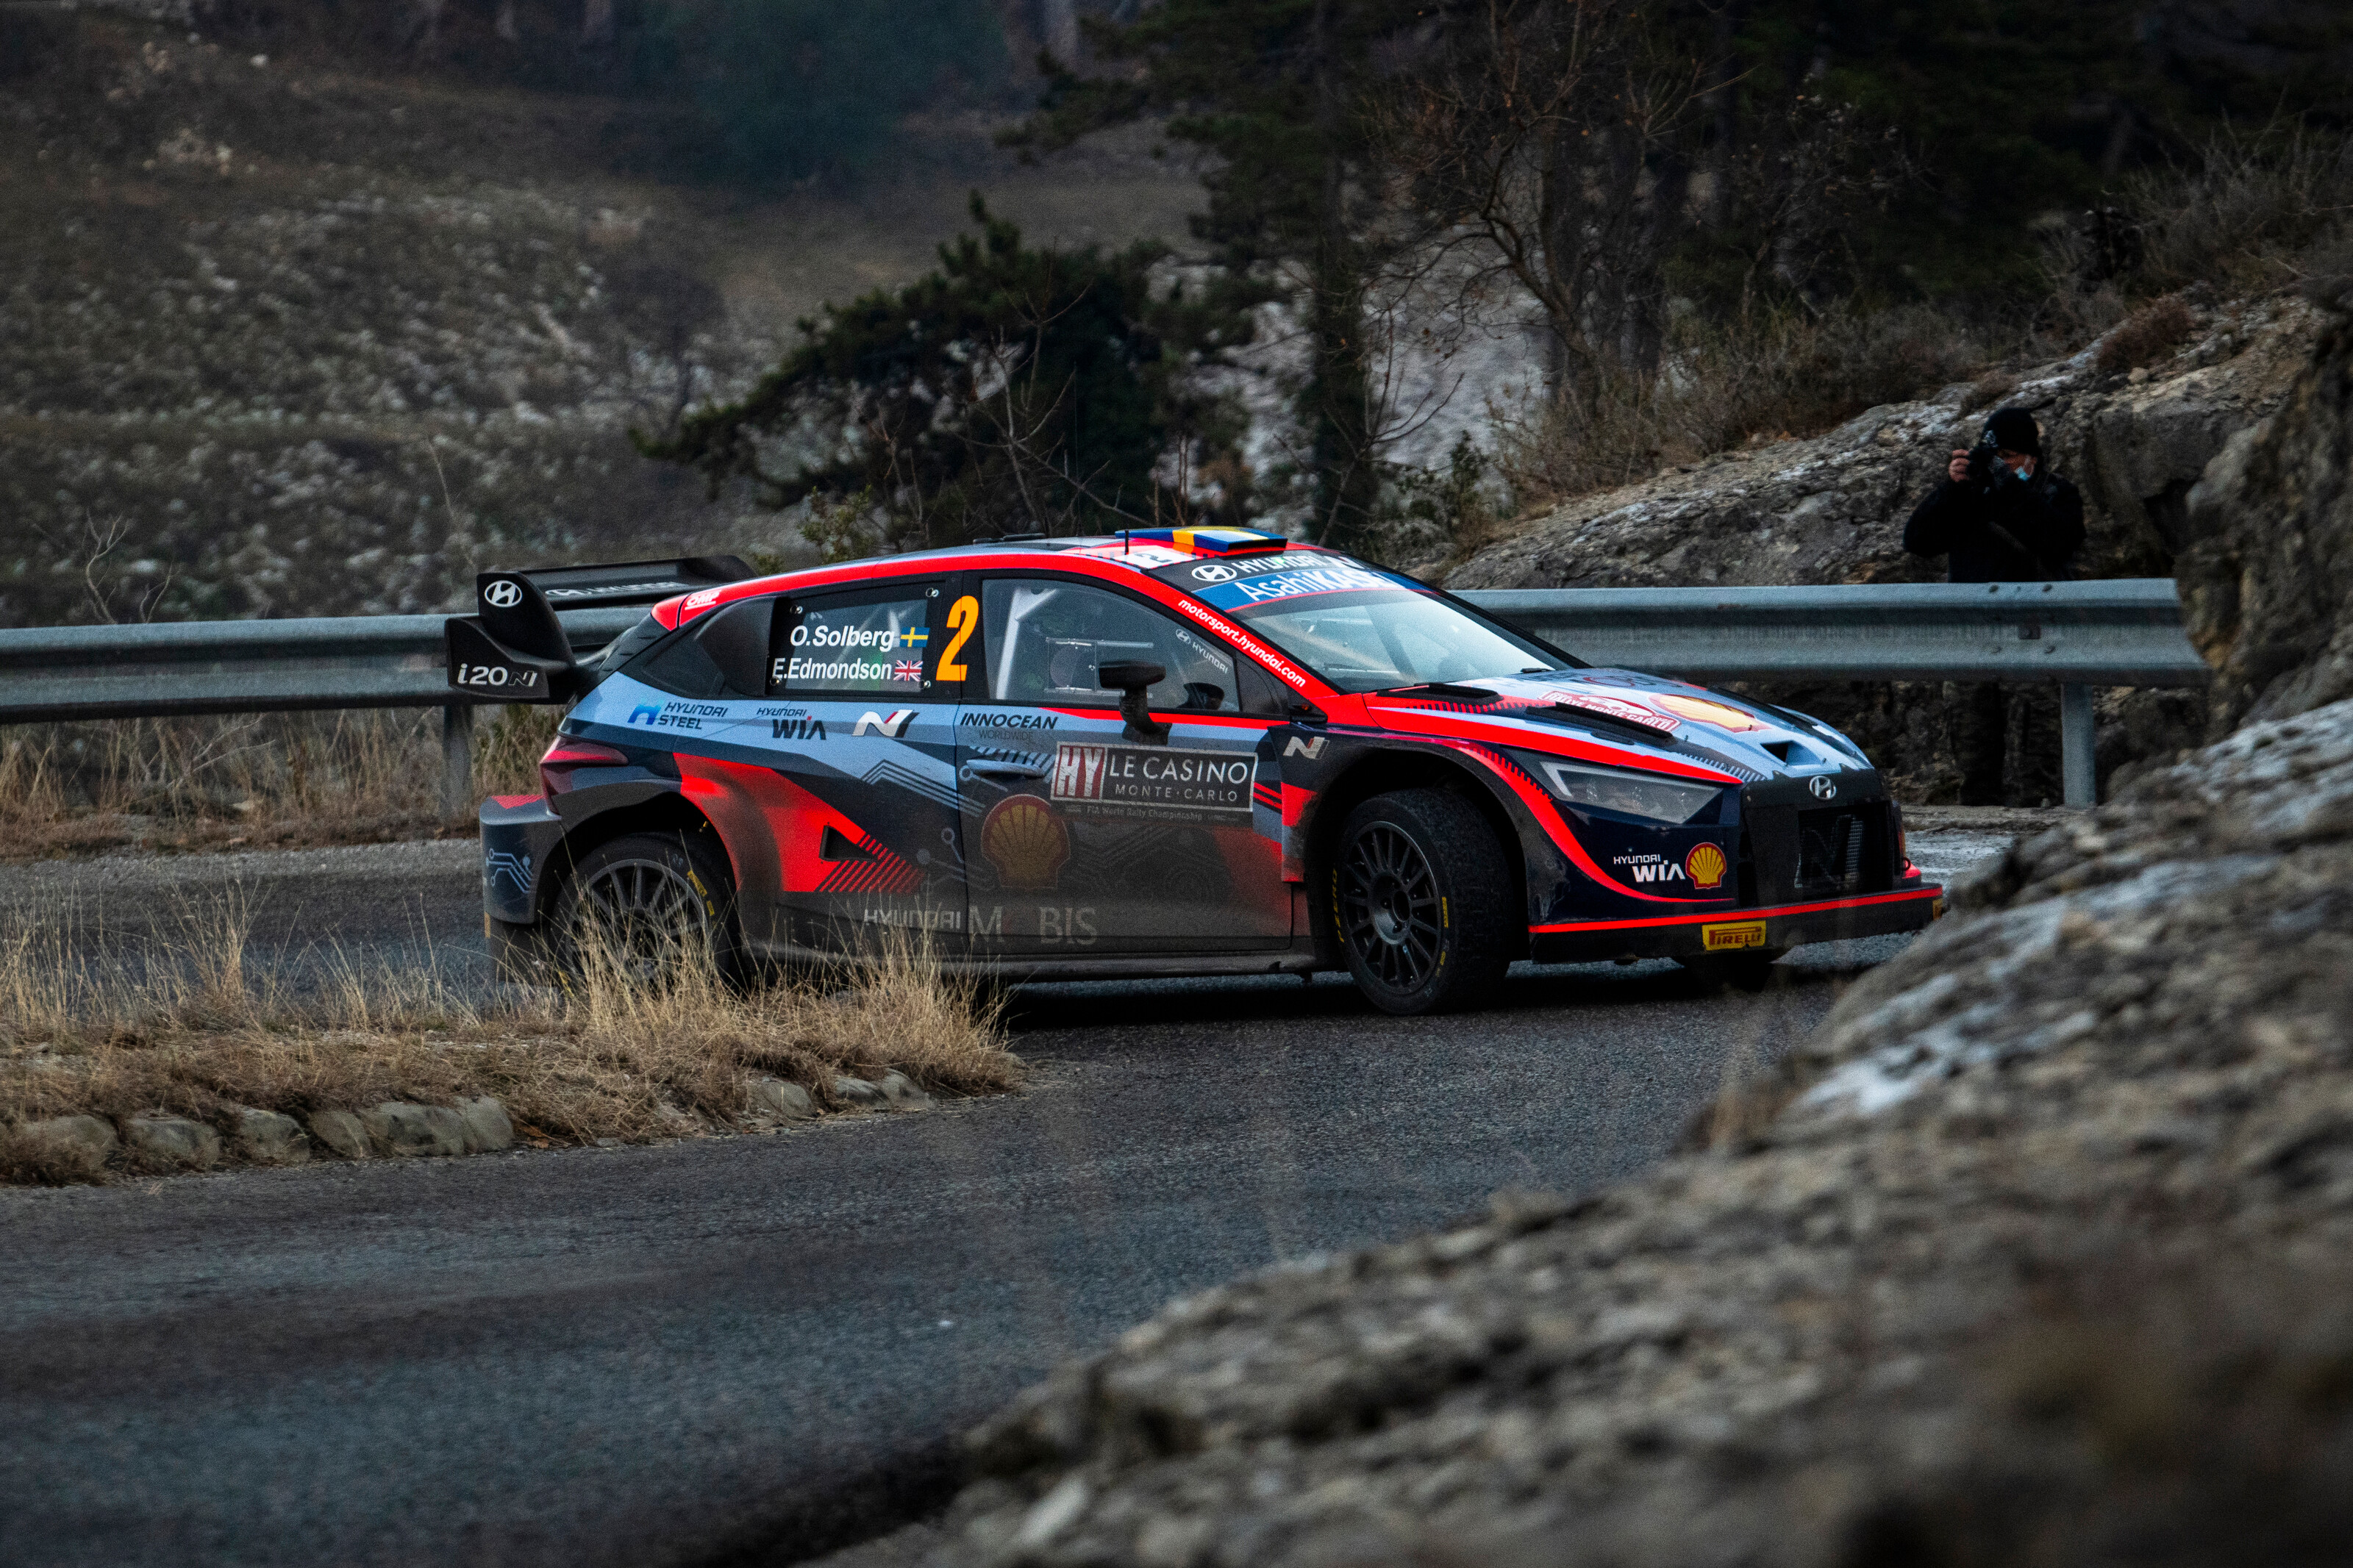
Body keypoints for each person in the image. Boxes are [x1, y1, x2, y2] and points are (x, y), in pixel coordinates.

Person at [1903, 406, 2085, 805]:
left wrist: (2008, 486)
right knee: (1974, 763)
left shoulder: (2057, 493)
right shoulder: (1970, 496)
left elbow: (2057, 540)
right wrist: (1952, 488)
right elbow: (1917, 541)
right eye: (1994, 457)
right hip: (1974, 640)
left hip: (2035, 639)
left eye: (2008, 457)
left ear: (2031, 457)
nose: (1999, 465)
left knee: (2037, 768)